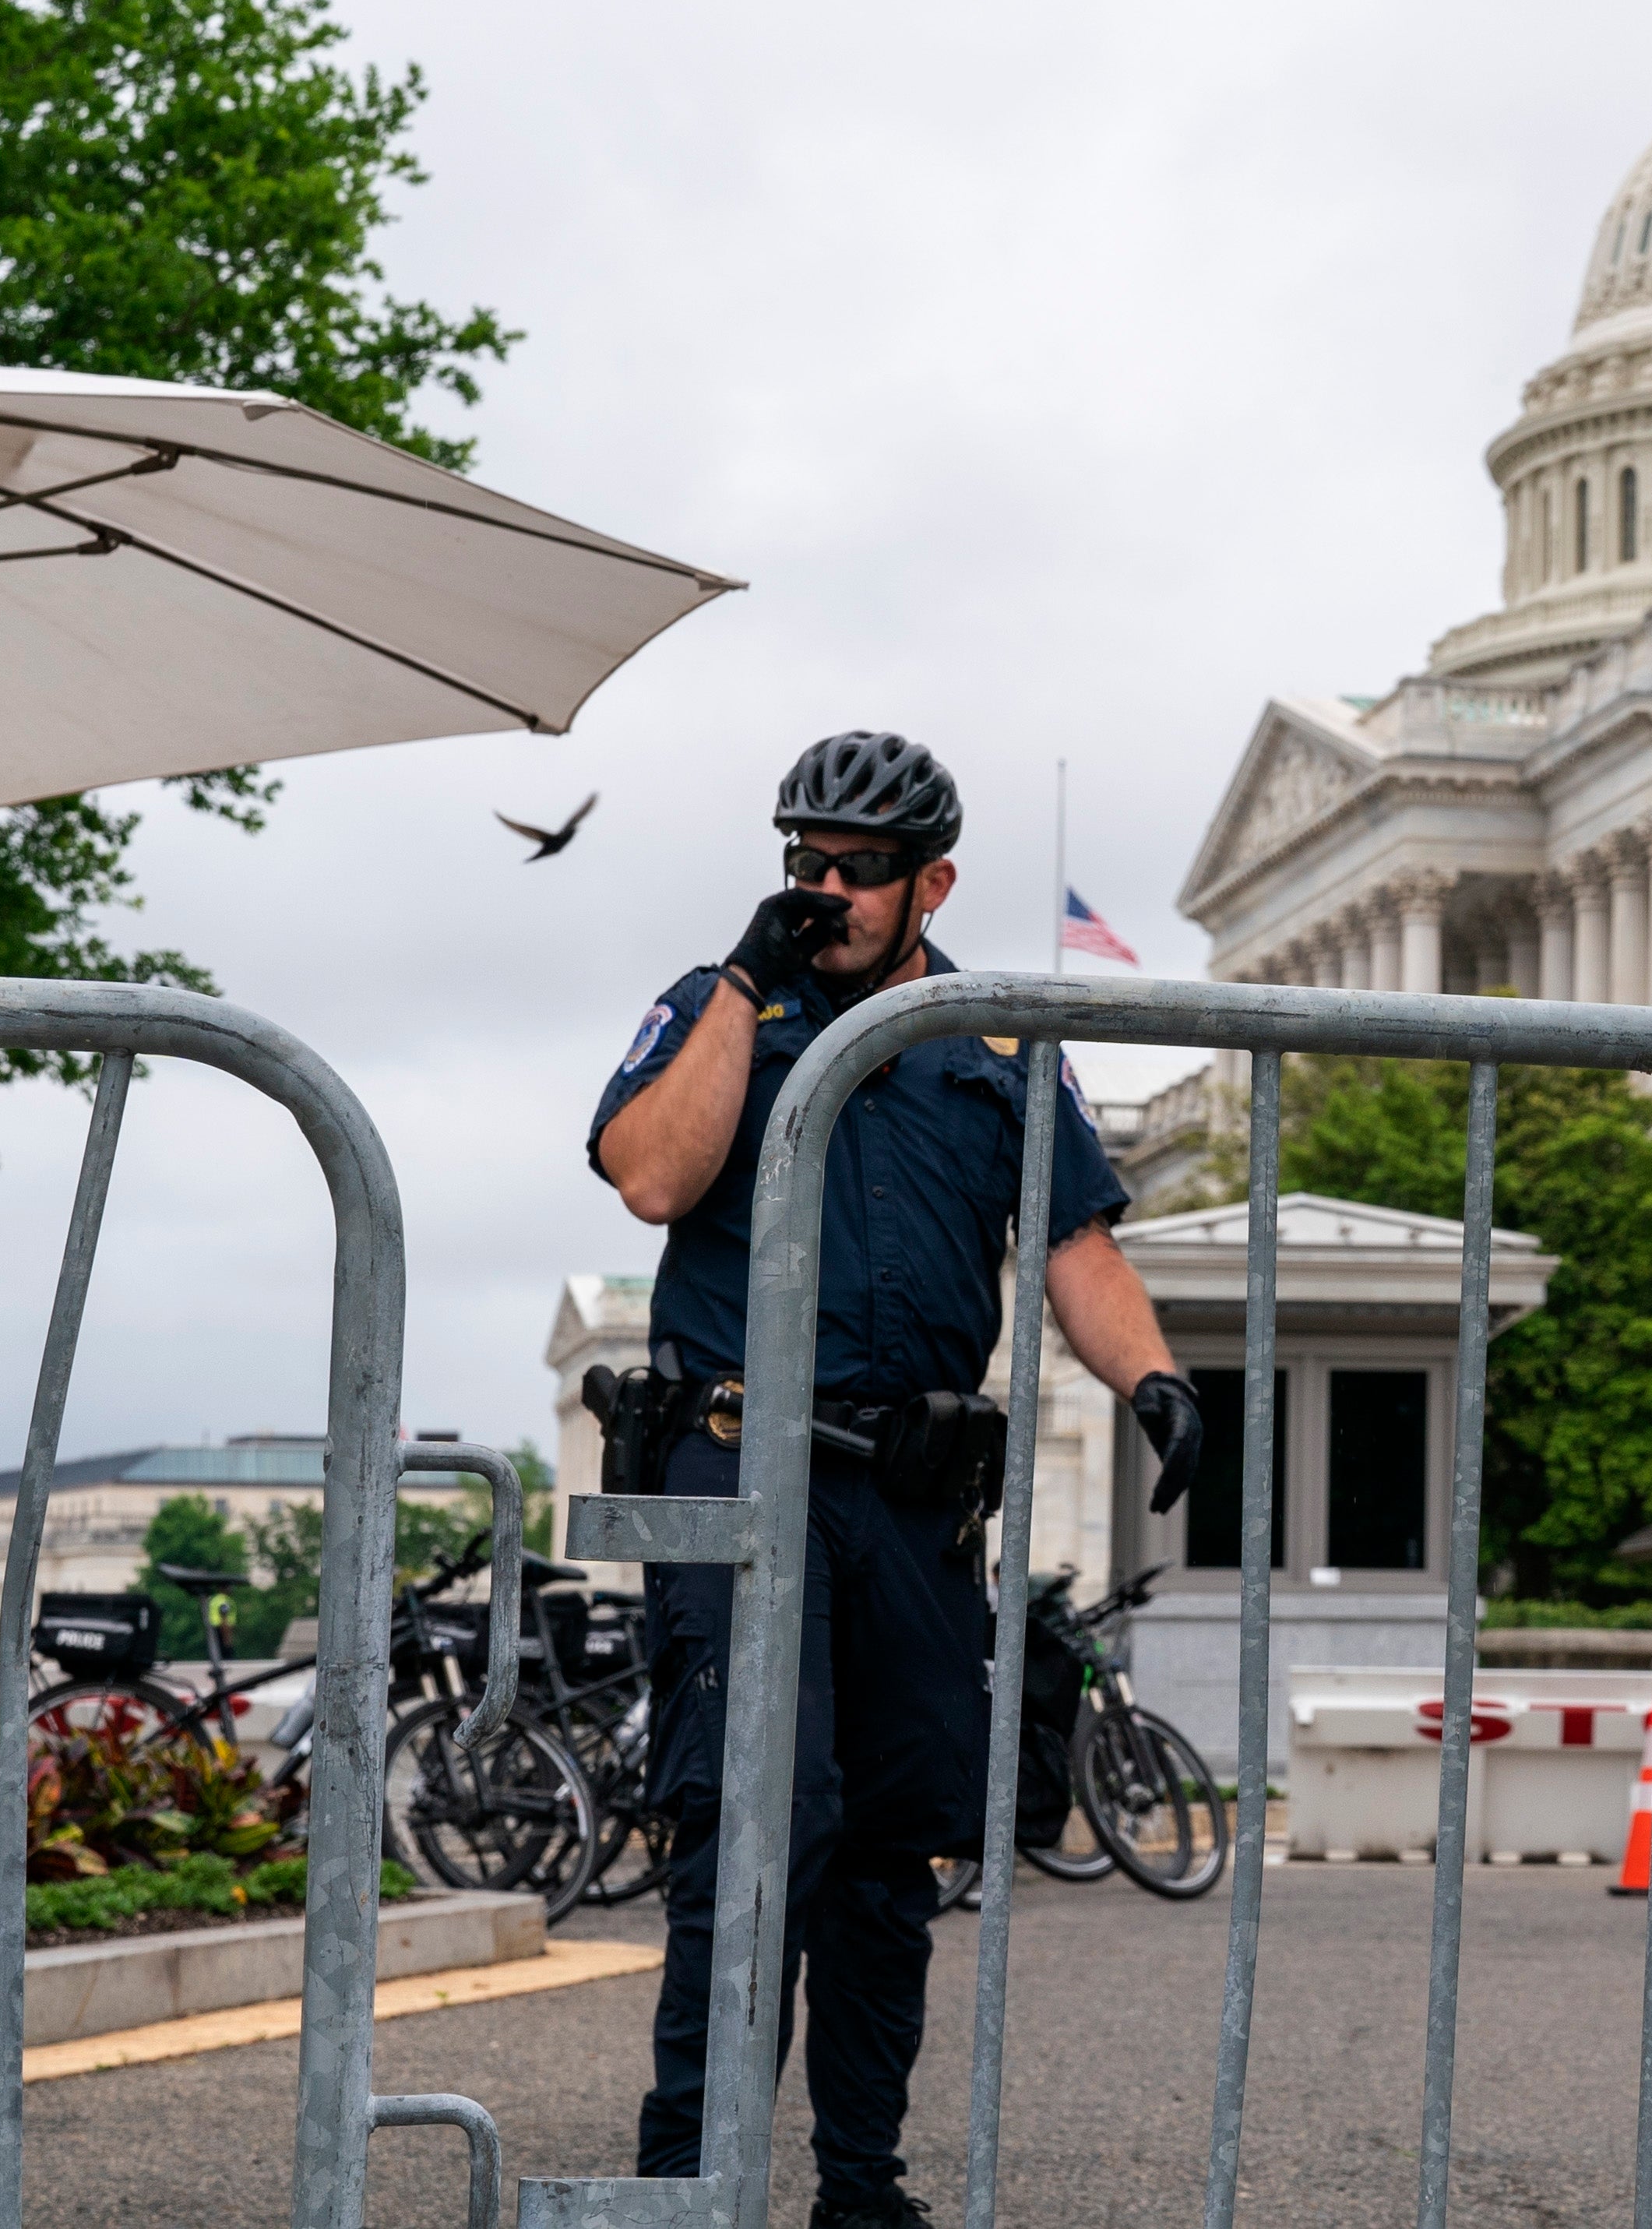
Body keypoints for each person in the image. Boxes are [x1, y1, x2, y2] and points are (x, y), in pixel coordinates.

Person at [590, 731, 1209, 2227]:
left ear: (931, 878)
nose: (829, 886)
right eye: (806, 858)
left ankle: (862, 2192)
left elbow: (1074, 1245)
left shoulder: (990, 1038)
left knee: (886, 1855)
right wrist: (748, 983)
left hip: (914, 1498)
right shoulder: (714, 1004)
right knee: (753, 1832)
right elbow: (653, 1175)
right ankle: (689, 2182)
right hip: (739, 1473)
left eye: (860, 867)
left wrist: (1157, 1379)